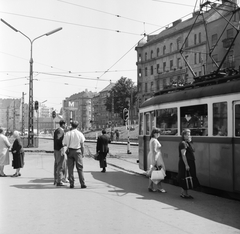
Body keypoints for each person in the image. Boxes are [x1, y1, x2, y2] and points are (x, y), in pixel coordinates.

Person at [63, 120, 87, 189]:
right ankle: (82, 183)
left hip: (70, 151)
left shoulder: (67, 134)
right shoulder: (80, 134)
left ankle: (71, 183)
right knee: (80, 168)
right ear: (77, 126)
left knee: (70, 168)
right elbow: (82, 145)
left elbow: (64, 143)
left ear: (71, 126)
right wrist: (83, 153)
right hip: (78, 151)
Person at [178, 129, 200, 199]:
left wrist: (190, 142)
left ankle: (184, 193)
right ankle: (184, 194)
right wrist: (186, 165)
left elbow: (193, 150)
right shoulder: (183, 143)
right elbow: (183, 155)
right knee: (185, 178)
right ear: (184, 135)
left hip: (189, 162)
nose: (189, 135)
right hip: (186, 162)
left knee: (186, 178)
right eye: (188, 134)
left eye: (189, 134)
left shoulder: (187, 143)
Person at [147, 128, 166, 193]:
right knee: (158, 171)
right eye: (158, 133)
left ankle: (150, 187)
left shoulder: (152, 140)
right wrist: (154, 161)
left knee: (153, 172)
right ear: (154, 133)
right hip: (156, 157)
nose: (159, 134)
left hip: (152, 156)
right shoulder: (154, 140)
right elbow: (155, 151)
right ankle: (160, 188)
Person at [53, 120, 66, 186]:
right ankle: (59, 180)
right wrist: (63, 144)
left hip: (56, 149)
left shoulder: (57, 130)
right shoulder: (60, 131)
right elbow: (58, 139)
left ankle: (56, 179)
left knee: (57, 164)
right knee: (60, 165)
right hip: (59, 150)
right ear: (63, 124)